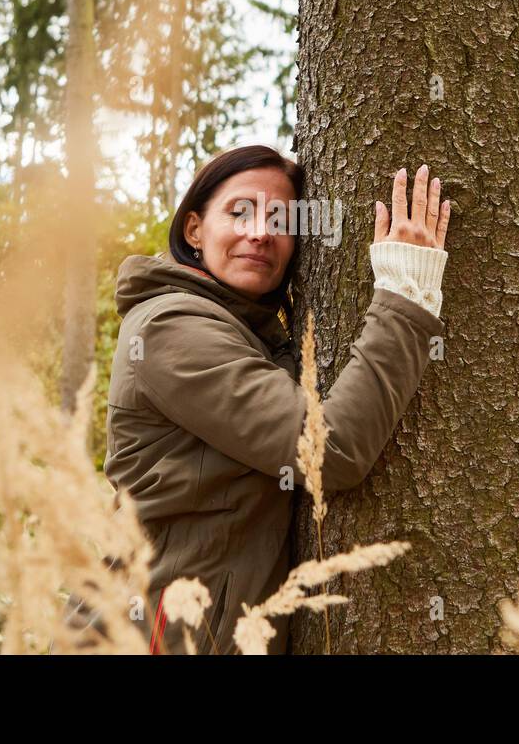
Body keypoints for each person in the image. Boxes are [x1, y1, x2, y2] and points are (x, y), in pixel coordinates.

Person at [104, 144, 452, 654]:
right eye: (239, 211)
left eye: (281, 219)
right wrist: (405, 293)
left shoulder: (247, 333)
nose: (260, 232)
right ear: (194, 230)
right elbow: (329, 451)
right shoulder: (169, 328)